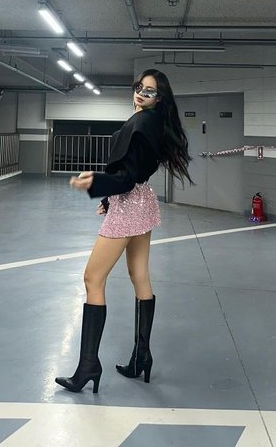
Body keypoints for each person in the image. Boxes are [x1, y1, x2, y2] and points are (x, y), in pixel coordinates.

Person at [55, 69, 192, 393]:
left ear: (159, 98)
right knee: (139, 276)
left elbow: (126, 179)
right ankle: (141, 356)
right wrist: (109, 197)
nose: (141, 93)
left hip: (130, 203)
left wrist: (95, 183)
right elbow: (135, 173)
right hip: (143, 201)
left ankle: (89, 365)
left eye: (150, 91)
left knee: (92, 278)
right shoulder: (154, 122)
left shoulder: (142, 124)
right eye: (140, 87)